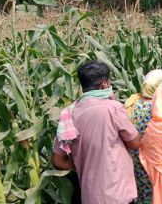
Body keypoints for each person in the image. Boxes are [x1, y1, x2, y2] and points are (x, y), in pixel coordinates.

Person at [51, 61, 141, 204]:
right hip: (118, 193)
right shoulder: (113, 108)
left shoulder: (68, 113)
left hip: (90, 195)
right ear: (104, 84)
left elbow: (58, 161)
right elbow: (135, 143)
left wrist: (82, 164)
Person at [124, 69, 162, 204]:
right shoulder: (159, 106)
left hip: (137, 157)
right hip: (157, 159)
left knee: (143, 190)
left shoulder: (133, 102)